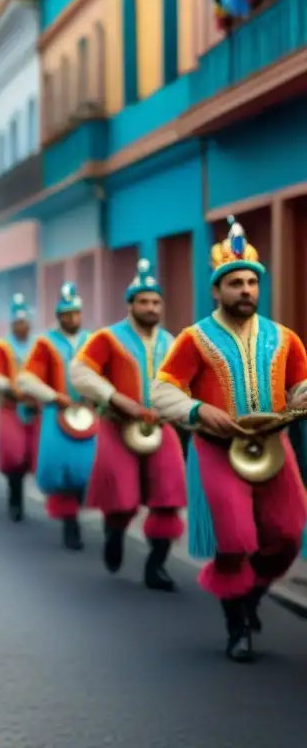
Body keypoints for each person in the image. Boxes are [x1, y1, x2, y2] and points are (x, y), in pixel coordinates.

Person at [151, 216, 307, 663]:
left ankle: (252, 596)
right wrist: (198, 410)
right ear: (216, 291)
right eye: (235, 283)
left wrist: (300, 401)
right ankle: (236, 625)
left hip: (275, 448)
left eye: (251, 282)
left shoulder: (285, 338)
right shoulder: (193, 339)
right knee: (234, 539)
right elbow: (163, 389)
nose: (245, 290)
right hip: (216, 451)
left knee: (290, 536)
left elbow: (299, 387)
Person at [70, 259, 185, 590]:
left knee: (169, 496)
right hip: (117, 427)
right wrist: (117, 399)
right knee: (121, 496)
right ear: (131, 304)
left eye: (155, 302)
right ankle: (115, 534)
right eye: (144, 301)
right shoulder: (107, 337)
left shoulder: (172, 341)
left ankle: (156, 565)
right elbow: (80, 372)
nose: (151, 307)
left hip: (161, 429)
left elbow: (188, 380)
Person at [0, 293, 38, 522]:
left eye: (24, 322)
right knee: (14, 457)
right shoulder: (2, 347)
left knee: (35, 454)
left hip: (35, 408)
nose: (21, 327)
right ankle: (15, 498)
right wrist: (4, 385)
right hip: (11, 408)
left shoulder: (38, 344)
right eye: (17, 323)